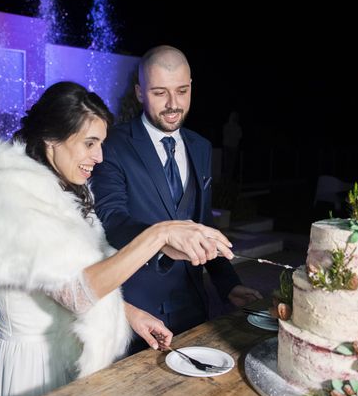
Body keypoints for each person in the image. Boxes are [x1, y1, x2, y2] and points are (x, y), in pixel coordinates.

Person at [0, 81, 232, 396]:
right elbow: (74, 293)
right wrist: (159, 233)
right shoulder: (12, 195)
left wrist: (130, 313)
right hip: (28, 367)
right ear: (51, 140)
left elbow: (72, 282)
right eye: (90, 144)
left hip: (66, 356)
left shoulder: (63, 188)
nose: (100, 157)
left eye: (101, 144)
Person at [91, 46, 262, 352]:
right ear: (140, 93)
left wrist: (228, 285)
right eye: (160, 93)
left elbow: (202, 223)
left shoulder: (201, 146)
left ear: (191, 87)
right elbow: (112, 220)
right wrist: (161, 239)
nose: (173, 104)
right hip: (136, 313)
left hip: (194, 306)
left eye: (182, 91)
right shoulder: (113, 144)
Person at [222, 110, 242, 181]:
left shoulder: (238, 127)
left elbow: (239, 136)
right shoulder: (226, 126)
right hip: (227, 147)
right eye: (233, 116)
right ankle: (226, 180)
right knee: (226, 164)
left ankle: (229, 179)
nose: (234, 118)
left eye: (236, 117)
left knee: (232, 165)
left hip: (234, 147)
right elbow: (225, 134)